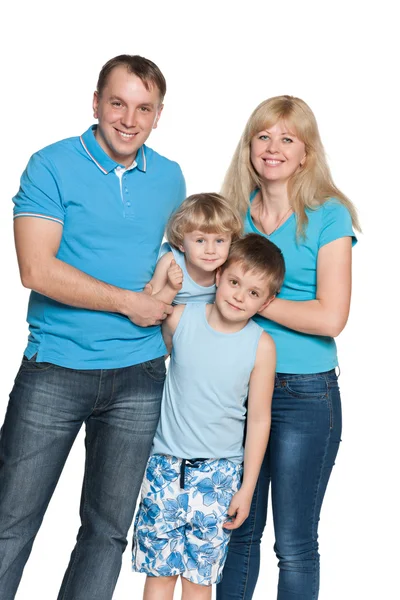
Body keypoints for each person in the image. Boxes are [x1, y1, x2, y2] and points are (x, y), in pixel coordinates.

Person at [0, 54, 186, 600]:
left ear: (158, 115)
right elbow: (36, 269)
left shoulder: (170, 176)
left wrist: (166, 300)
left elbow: (170, 260)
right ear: (97, 103)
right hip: (57, 368)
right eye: (118, 103)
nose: (129, 119)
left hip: (140, 375)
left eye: (144, 108)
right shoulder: (51, 164)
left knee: (106, 534)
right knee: (11, 522)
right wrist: (130, 303)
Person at [217, 95, 360, 600]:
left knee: (295, 544)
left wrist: (254, 301)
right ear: (249, 146)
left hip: (306, 395)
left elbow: (330, 317)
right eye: (263, 136)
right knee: (238, 533)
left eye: (287, 138)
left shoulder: (329, 216)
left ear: (306, 153)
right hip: (235, 391)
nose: (272, 148)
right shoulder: (233, 215)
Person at [132, 234, 285, 600]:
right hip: (164, 468)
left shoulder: (261, 345)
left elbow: (259, 419)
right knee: (158, 574)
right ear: (218, 277)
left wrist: (246, 488)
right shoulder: (181, 319)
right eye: (234, 282)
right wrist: (164, 284)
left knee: (200, 581)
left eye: (253, 293)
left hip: (218, 477)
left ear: (268, 301)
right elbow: (146, 358)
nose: (238, 296)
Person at [147, 192, 243, 304]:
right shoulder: (170, 262)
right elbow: (150, 306)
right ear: (181, 243)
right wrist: (171, 288)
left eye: (219, 241)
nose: (210, 250)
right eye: (200, 240)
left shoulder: (229, 267)